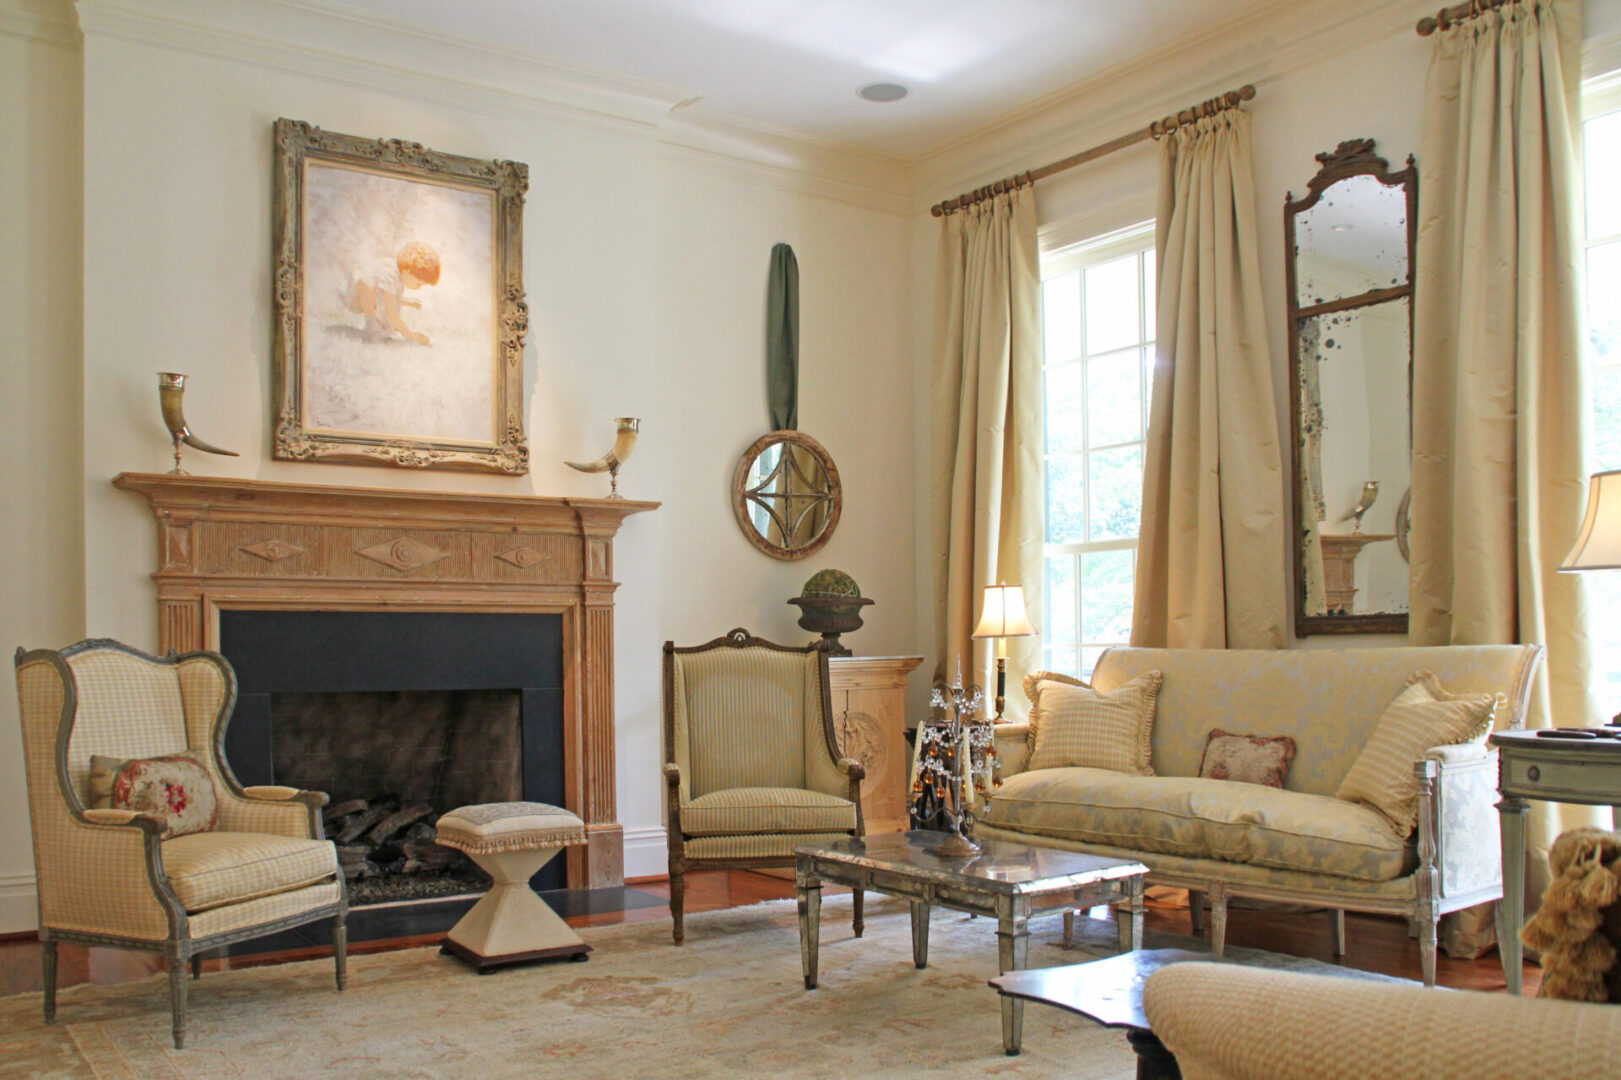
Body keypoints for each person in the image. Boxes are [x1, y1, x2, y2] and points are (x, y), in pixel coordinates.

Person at [339, 241, 440, 344]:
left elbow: (388, 297)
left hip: (370, 297)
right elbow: (390, 311)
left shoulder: (400, 275)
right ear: (408, 272)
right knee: (367, 283)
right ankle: (371, 323)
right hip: (353, 298)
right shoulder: (390, 275)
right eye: (419, 284)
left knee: (378, 291)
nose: (419, 288)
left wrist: (407, 302)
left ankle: (380, 324)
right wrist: (410, 335)